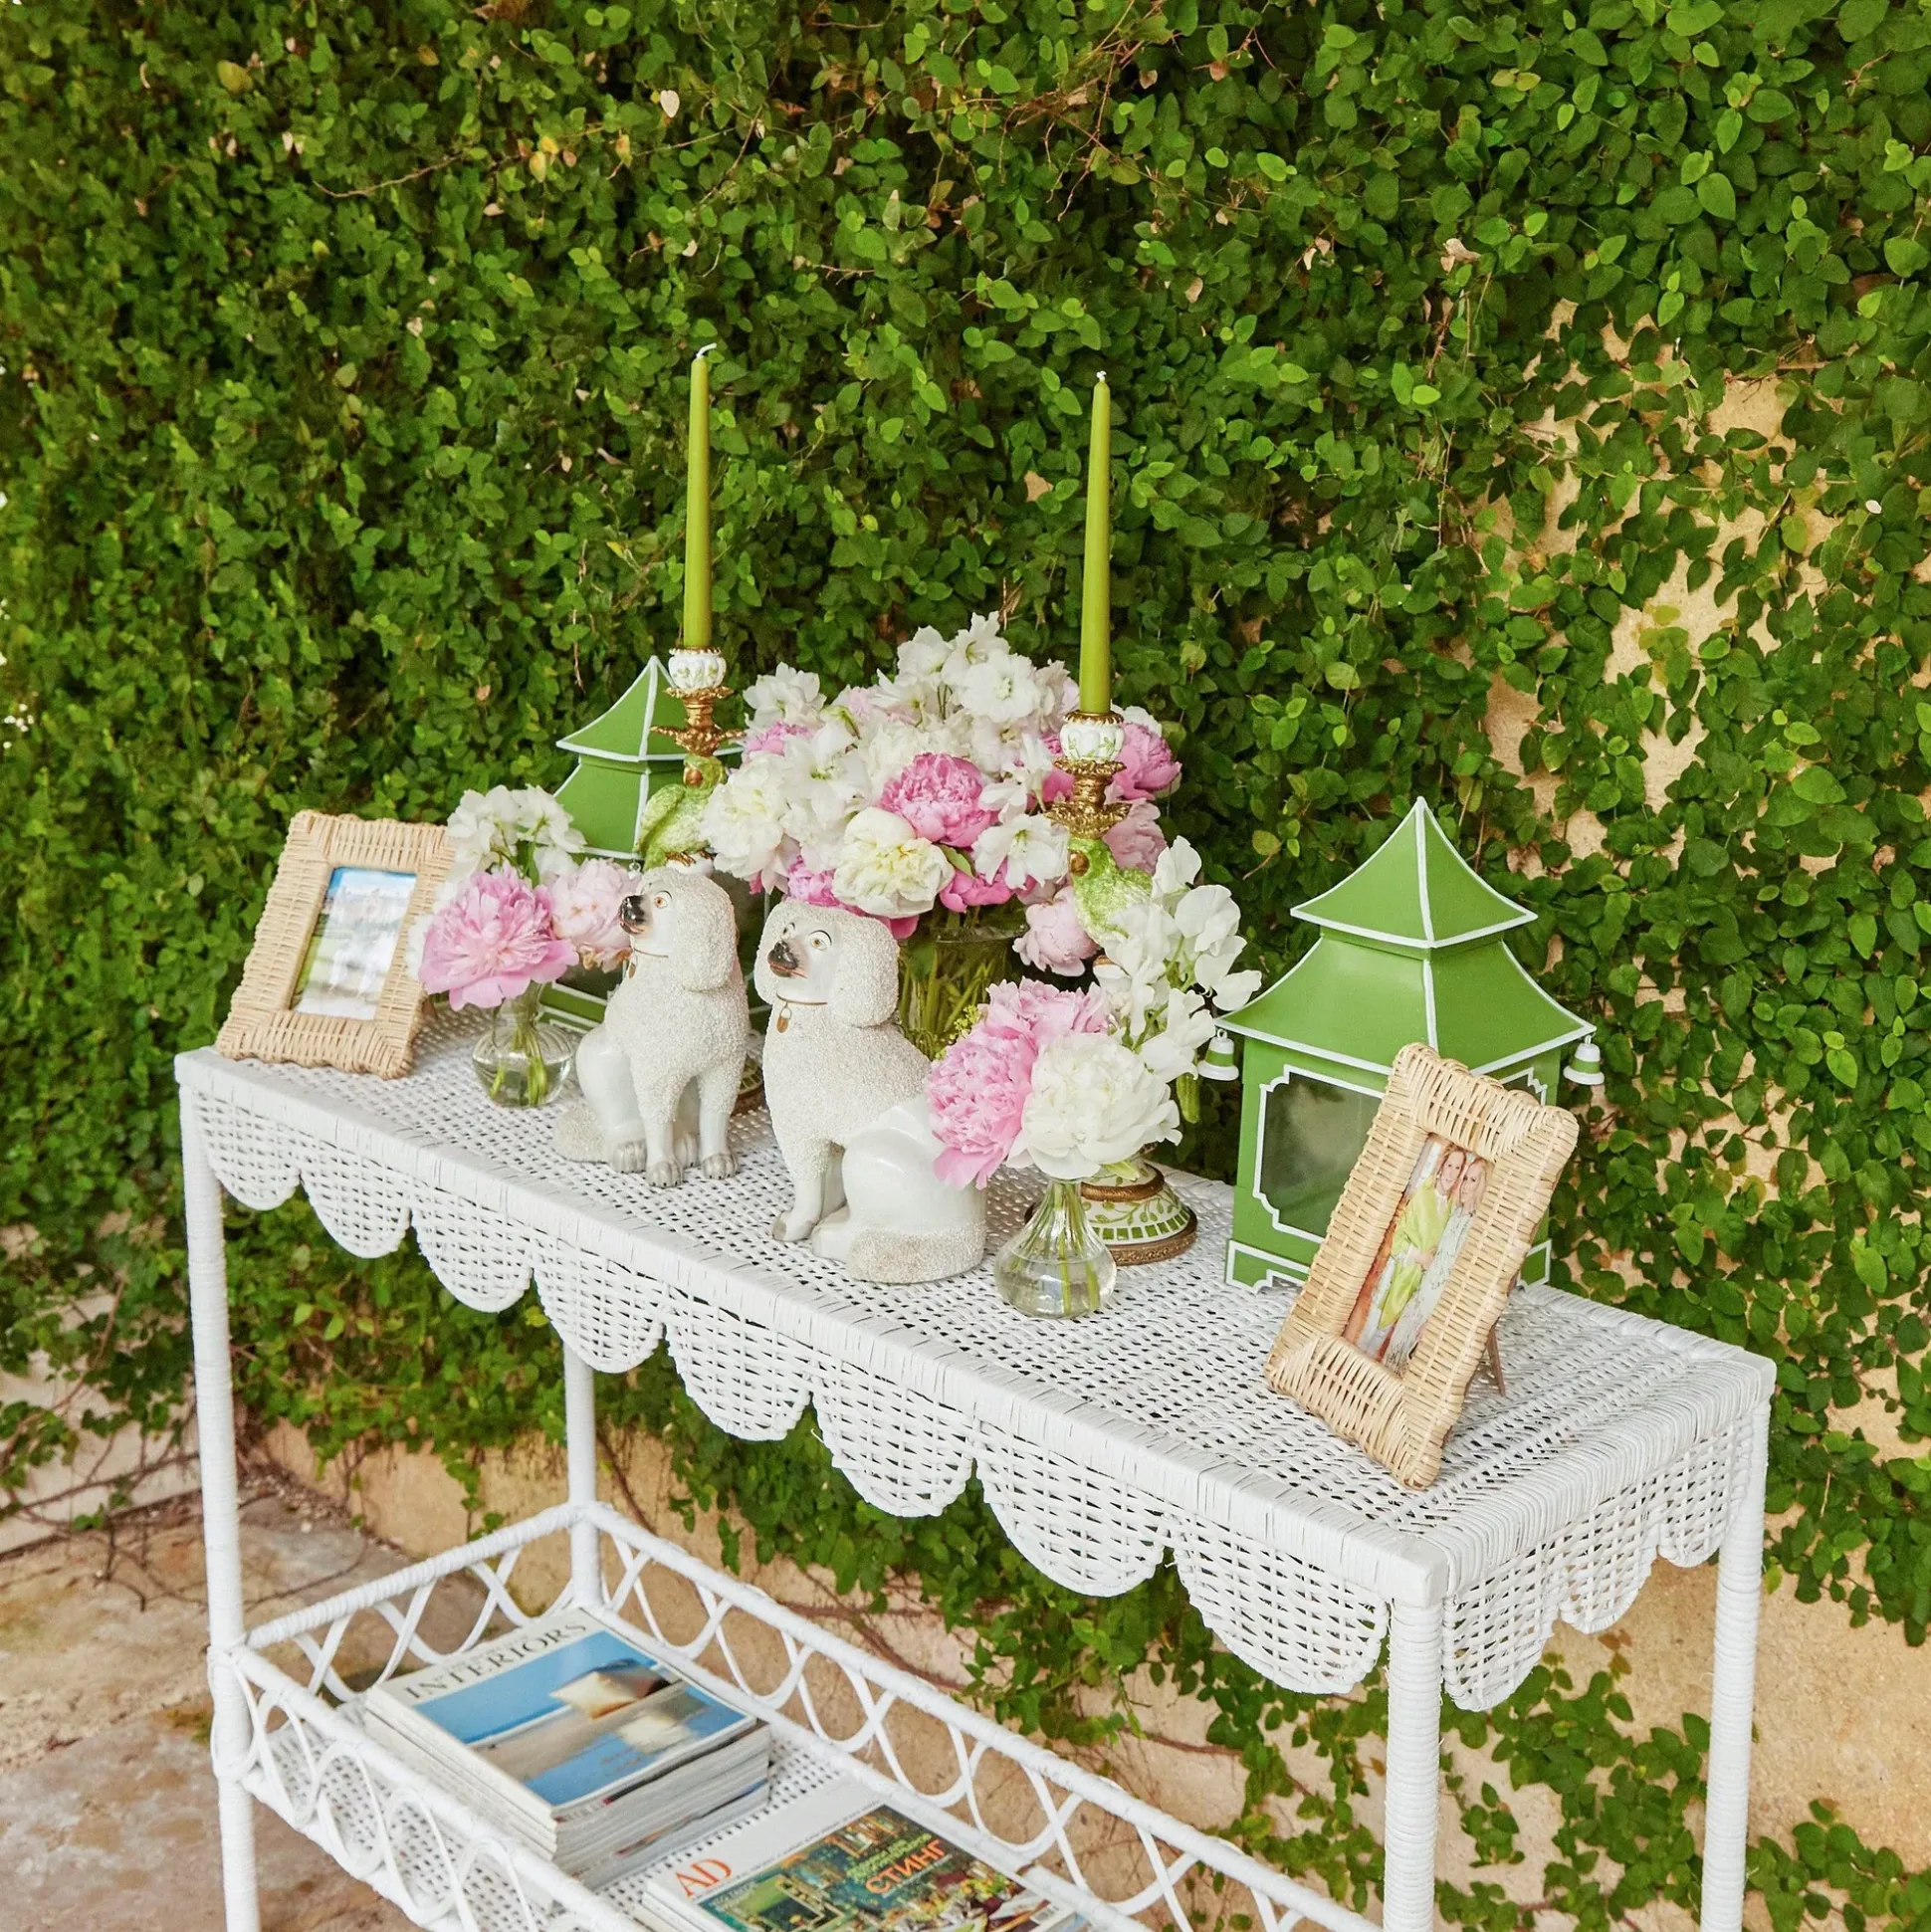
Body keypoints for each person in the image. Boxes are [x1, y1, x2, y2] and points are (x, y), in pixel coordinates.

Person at [1379, 1153, 1489, 1372]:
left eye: (1473, 1180)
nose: (1466, 1185)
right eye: (1465, 1178)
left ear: (1482, 1186)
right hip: (1420, 1296)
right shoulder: (1453, 1213)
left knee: (1410, 1366)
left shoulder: (1474, 1228)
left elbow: (1461, 1279)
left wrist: (1436, 1319)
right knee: (1391, 1357)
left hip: (1436, 1306)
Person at [1345, 1141, 1456, 1356]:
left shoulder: (1449, 1208)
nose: (1452, 1172)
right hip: (1398, 1270)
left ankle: (1369, 1367)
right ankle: (1354, 1361)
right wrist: (1418, 1256)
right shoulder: (1424, 1196)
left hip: (1418, 1280)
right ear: (1442, 1165)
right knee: (1374, 1321)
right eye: (1449, 1165)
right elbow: (1399, 1238)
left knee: (1388, 1329)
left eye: (1457, 1168)